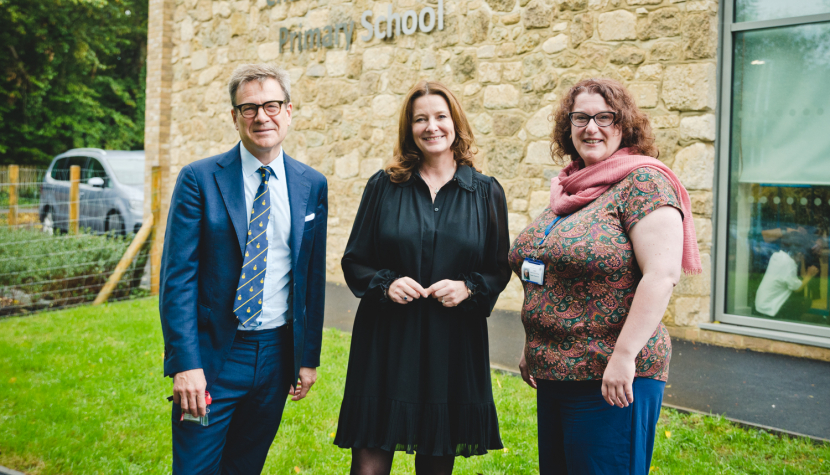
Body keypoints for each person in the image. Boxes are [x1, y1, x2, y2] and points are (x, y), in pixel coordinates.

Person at [509, 78, 702, 474]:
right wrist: (536, 343)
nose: (591, 128)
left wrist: (624, 356)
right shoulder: (569, 188)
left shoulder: (644, 182)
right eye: (580, 118)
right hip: (556, 373)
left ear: (624, 125)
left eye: (604, 117)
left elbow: (661, 275)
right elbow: (551, 273)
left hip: (611, 377)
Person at [334, 81, 511, 475]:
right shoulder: (384, 186)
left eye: (440, 117)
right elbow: (355, 260)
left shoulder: (485, 192)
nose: (432, 127)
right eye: (421, 119)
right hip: (386, 339)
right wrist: (386, 283)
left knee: (435, 462)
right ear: (409, 128)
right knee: (368, 467)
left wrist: (468, 287)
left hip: (449, 342)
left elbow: (498, 268)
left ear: (455, 123)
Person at [159, 63, 328, 474]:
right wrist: (185, 364)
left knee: (245, 467)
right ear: (234, 117)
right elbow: (177, 277)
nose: (261, 116)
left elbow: (311, 277)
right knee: (196, 467)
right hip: (214, 358)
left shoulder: (312, 184)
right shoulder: (199, 179)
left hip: (275, 357)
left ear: (289, 111)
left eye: (271, 105)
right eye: (249, 108)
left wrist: (308, 358)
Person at [755, 229, 819, 320]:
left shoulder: (777, 256)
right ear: (800, 253)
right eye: (802, 256)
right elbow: (796, 288)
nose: (802, 259)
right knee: (805, 301)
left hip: (761, 305)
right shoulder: (789, 264)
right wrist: (809, 275)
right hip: (769, 310)